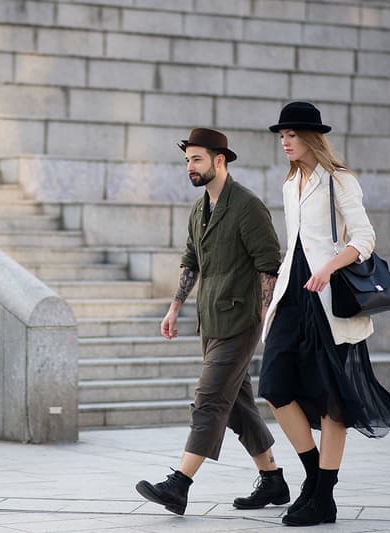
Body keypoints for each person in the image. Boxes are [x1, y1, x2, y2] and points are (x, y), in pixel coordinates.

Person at [260, 101, 390, 527]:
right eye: (281, 137)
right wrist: (271, 296)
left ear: (311, 137)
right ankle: (314, 477)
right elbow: (294, 246)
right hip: (293, 297)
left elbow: (364, 237)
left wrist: (329, 268)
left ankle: (323, 496)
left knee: (333, 398)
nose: (286, 143)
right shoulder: (289, 184)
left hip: (329, 302)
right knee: (274, 387)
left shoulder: (339, 180)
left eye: (291, 135)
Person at [135, 128, 290, 515]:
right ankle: (273, 480)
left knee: (208, 400)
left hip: (241, 320)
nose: (190, 166)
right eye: (187, 160)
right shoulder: (198, 209)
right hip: (211, 320)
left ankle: (179, 484)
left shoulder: (247, 206)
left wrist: (263, 316)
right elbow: (191, 261)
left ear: (220, 160)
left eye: (197, 159)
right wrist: (174, 308)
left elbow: (269, 263)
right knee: (237, 405)